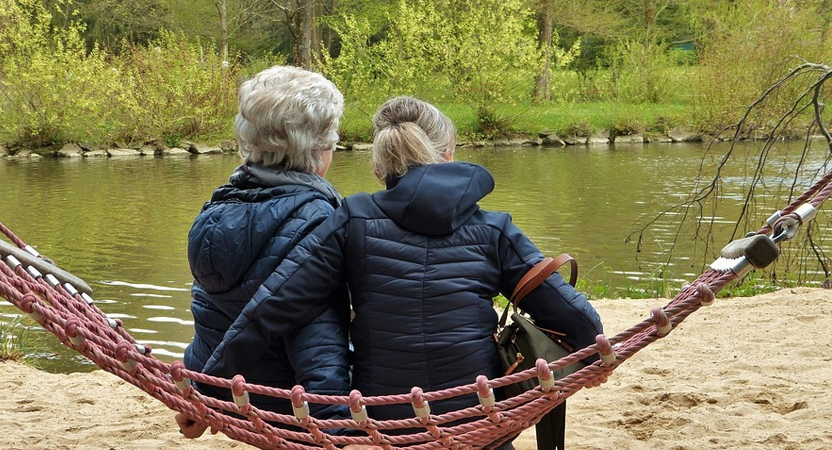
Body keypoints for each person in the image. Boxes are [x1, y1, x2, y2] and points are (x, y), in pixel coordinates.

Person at [203, 97, 604, 449]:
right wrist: (592, 358)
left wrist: (205, 392)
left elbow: (271, 308)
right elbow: (579, 321)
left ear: (380, 169)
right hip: (479, 423)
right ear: (449, 156)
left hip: (386, 428)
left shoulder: (350, 219)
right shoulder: (495, 229)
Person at [177, 65, 350, 438]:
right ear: (319, 149)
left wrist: (201, 394)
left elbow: (211, 316)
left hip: (229, 395)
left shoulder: (214, 211)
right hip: (292, 404)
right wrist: (336, 430)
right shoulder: (319, 219)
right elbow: (319, 343)